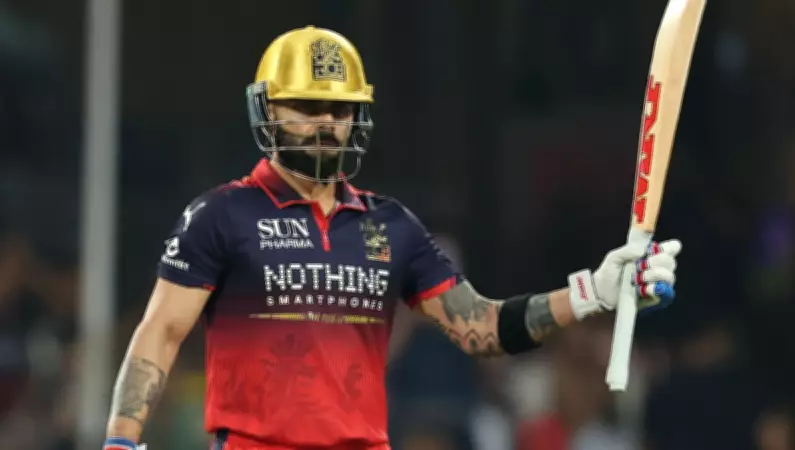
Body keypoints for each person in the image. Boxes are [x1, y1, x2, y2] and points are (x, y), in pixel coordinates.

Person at [102, 26, 682, 450]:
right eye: (306, 108)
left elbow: (481, 327)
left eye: (340, 110)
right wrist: (122, 440)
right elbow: (161, 331)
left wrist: (594, 292)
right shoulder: (221, 215)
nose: (326, 125)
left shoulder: (390, 226)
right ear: (267, 109)